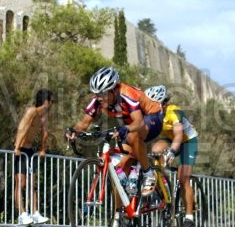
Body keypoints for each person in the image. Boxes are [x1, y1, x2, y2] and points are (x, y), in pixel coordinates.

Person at [65, 67, 163, 197]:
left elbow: (139, 122)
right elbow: (84, 123)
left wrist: (125, 129)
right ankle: (121, 209)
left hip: (152, 117)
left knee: (132, 135)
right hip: (133, 123)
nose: (99, 98)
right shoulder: (98, 100)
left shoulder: (127, 94)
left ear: (114, 89)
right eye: (97, 94)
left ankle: (148, 174)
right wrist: (73, 131)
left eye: (103, 94)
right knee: (120, 168)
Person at [144, 85, 200, 227]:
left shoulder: (173, 111)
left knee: (183, 178)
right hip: (170, 139)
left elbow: (179, 135)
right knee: (155, 150)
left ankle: (189, 217)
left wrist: (172, 152)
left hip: (188, 141)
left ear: (163, 103)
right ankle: (164, 187)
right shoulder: (150, 114)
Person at [13, 89, 54, 226]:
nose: (52, 104)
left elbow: (45, 133)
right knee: (21, 183)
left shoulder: (44, 115)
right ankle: (22, 214)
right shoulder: (32, 111)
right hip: (20, 149)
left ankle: (35, 213)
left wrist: (43, 149)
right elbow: (22, 129)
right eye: (52, 101)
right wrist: (17, 147)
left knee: (32, 183)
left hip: (30, 150)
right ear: (46, 101)